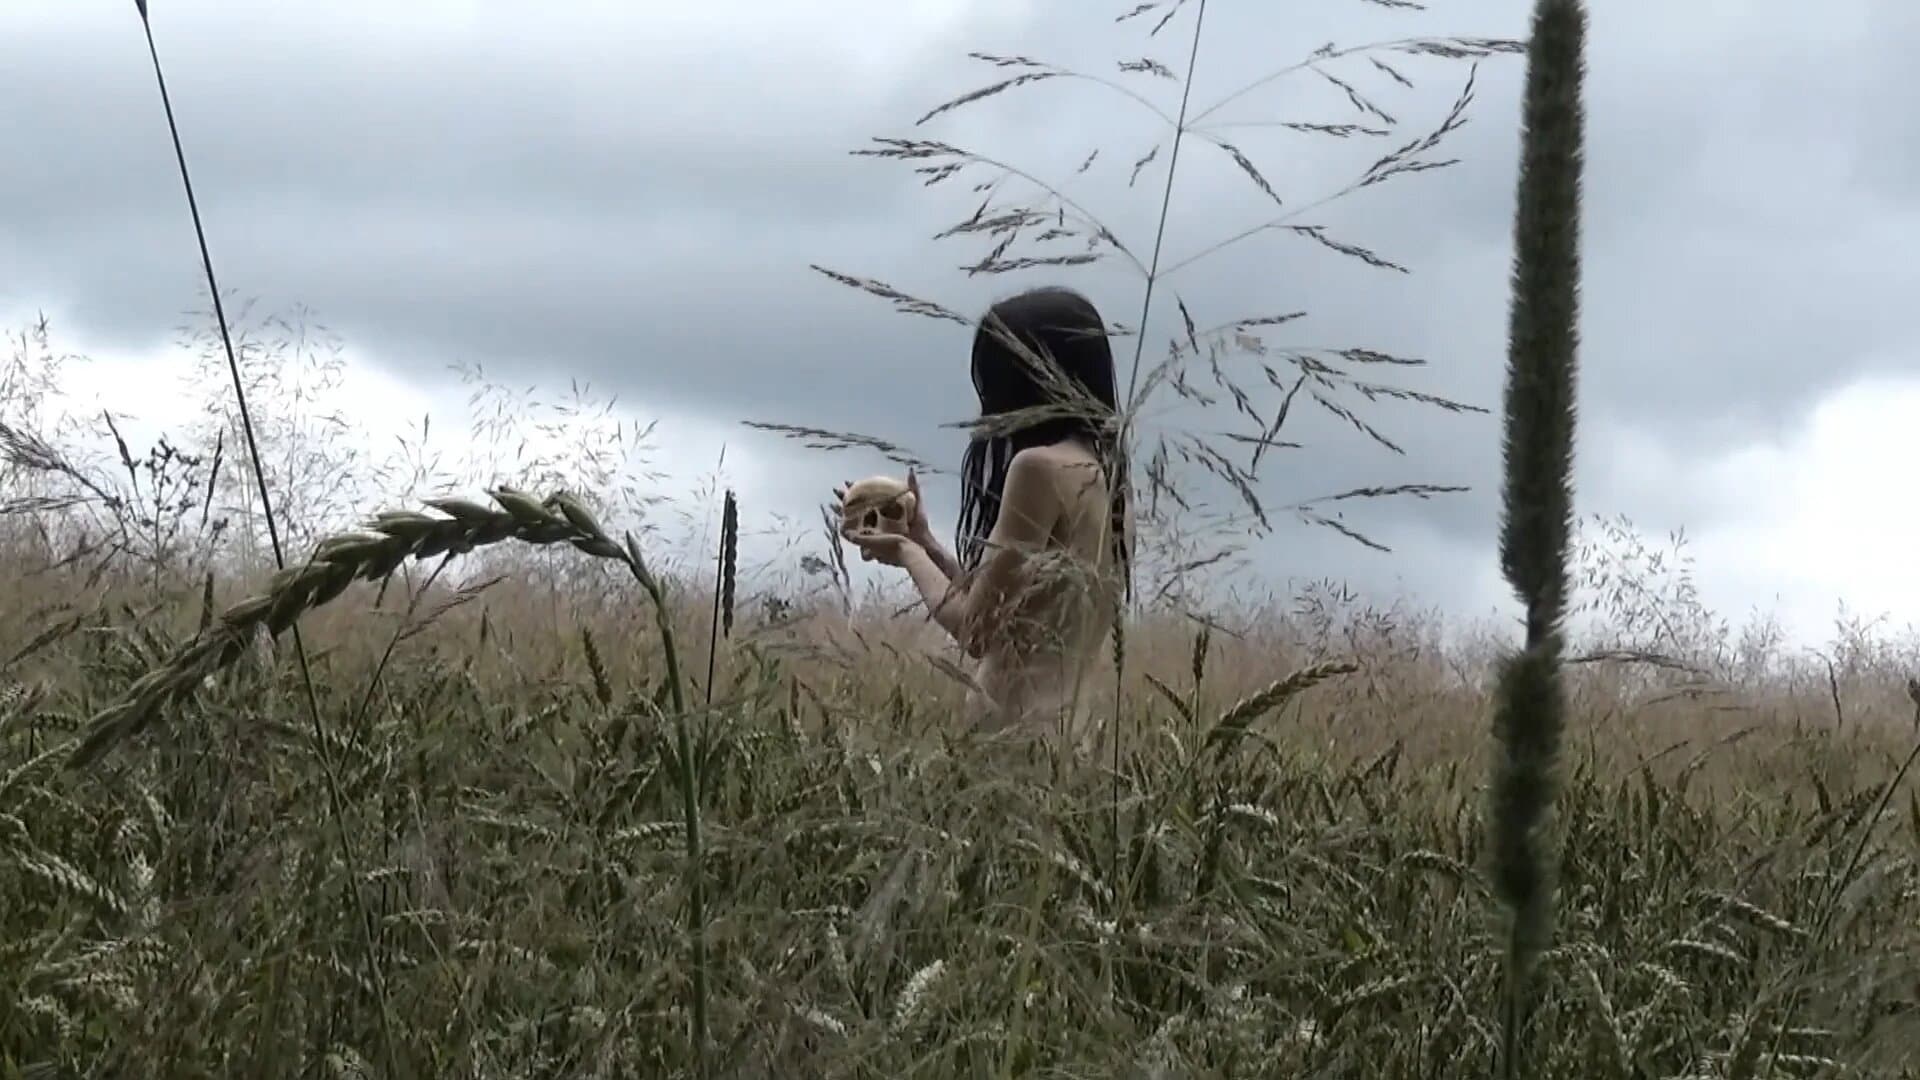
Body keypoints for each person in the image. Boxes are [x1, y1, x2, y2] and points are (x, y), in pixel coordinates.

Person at [836, 285, 1132, 749]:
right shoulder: (1107, 480)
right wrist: (927, 542)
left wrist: (905, 552)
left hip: (1011, 742)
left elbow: (975, 631)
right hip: (1069, 742)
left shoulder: (1037, 469)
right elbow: (1009, 608)